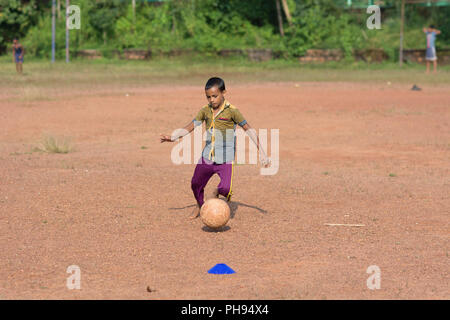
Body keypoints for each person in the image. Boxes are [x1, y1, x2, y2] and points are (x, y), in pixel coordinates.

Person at [160, 77, 271, 219]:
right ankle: (200, 206)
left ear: (223, 92)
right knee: (195, 184)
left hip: (225, 159)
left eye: (215, 96)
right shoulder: (205, 111)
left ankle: (214, 193)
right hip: (207, 156)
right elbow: (191, 125)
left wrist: (261, 152)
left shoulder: (232, 111)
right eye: (208, 97)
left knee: (226, 188)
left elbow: (248, 129)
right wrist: (173, 137)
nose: (211, 100)